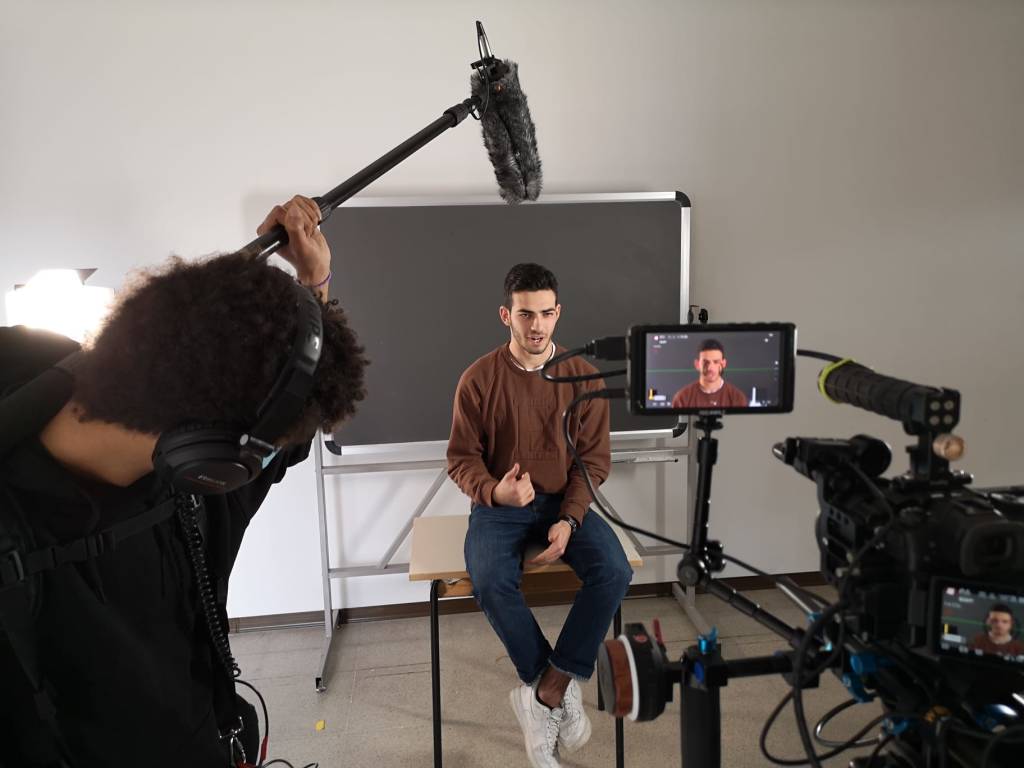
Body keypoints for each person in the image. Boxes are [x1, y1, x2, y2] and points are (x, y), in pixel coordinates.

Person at [0, 195, 367, 767]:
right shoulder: (199, 484)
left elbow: (283, 432)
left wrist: (313, 286)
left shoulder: (189, 488)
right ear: (214, 455)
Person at [446, 262, 633, 768]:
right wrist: (494, 492)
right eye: (526, 314)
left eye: (546, 314)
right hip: (501, 506)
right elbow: (460, 459)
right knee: (488, 578)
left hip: (561, 501)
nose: (537, 326)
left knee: (615, 570)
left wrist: (569, 519)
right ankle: (548, 685)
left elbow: (592, 462)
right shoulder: (479, 379)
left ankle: (546, 692)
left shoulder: (584, 377)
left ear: (558, 313)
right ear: (506, 314)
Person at [670, 338, 749, 408]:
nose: (710, 368)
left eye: (716, 362)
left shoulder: (737, 398)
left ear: (724, 364)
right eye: (705, 362)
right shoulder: (682, 398)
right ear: (697, 364)